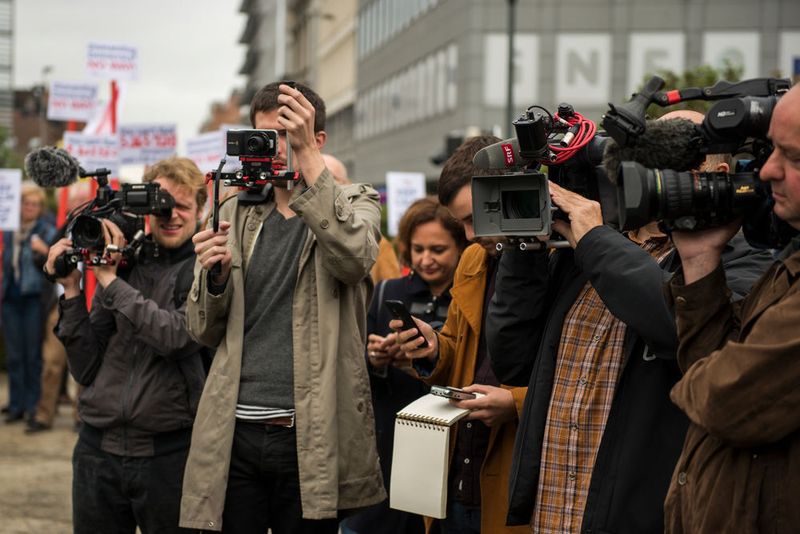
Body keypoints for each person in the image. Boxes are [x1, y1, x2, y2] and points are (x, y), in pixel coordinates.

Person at [483, 110, 774, 533]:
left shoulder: (744, 256)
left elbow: (685, 331)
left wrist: (595, 241)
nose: (649, 167)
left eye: (675, 154)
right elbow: (512, 359)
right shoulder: (591, 247)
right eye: (643, 153)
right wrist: (525, 247)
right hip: (554, 515)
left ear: (719, 173)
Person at [180, 81, 385, 533]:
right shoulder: (234, 210)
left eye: (283, 138)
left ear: (316, 139)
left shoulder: (357, 202)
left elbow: (353, 260)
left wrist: (306, 155)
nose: (269, 151)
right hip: (235, 430)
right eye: (261, 138)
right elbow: (201, 330)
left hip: (310, 434)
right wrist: (213, 278)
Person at [663, 83, 800, 532]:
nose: (767, 172)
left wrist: (699, 387)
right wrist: (699, 261)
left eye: (793, 158)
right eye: (771, 151)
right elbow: (712, 364)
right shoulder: (790, 265)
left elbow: (725, 401)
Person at [45, 157, 208, 533]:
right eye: (161, 205)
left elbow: (175, 337)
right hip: (96, 451)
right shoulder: (123, 263)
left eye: (182, 206)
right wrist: (71, 291)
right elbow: (84, 367)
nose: (170, 216)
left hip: (168, 455)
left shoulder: (205, 267)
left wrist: (109, 280)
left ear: (201, 210)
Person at [392, 135, 530, 534]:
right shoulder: (475, 258)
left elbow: (579, 382)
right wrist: (432, 347)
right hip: (454, 478)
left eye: (474, 219)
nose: (469, 235)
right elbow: (456, 349)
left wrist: (515, 403)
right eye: (461, 223)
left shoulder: (557, 258)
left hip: (510, 487)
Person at [342, 197, 467, 534]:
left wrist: (429, 357)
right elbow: (356, 369)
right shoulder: (387, 292)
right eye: (418, 248)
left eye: (438, 249)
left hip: (453, 444)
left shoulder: (471, 295)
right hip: (390, 441)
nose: (426, 259)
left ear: (460, 248)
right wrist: (377, 358)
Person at [27, 181, 93, 433]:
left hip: (88, 302)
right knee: (52, 362)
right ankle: (44, 415)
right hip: (59, 304)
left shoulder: (97, 230)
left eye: (82, 201)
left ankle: (81, 416)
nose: (77, 207)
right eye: (74, 202)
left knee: (83, 365)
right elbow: (47, 264)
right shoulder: (62, 230)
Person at [1, 182, 56, 424]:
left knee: (32, 356)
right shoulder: (8, 230)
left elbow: (54, 263)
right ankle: (16, 405)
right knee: (14, 355)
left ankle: (33, 405)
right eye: (26, 203)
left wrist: (44, 250)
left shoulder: (46, 230)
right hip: (10, 297)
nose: (30, 208)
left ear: (41, 207)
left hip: (34, 299)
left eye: (34, 204)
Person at [322, 152, 401, 283]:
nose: (319, 184)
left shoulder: (376, 243)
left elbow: (391, 287)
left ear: (348, 184)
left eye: (329, 177)